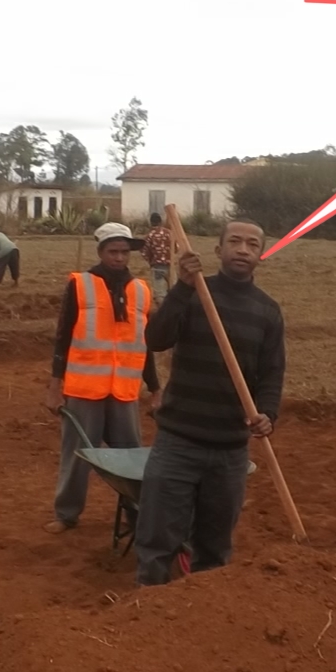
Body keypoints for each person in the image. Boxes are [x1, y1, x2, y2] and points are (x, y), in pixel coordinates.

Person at [134, 218, 284, 586]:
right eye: (235, 242)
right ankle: (145, 615)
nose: (243, 250)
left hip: (230, 452)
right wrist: (182, 289)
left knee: (215, 550)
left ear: (261, 255)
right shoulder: (195, 293)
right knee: (157, 543)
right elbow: (156, 338)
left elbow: (271, 376)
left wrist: (267, 414)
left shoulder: (268, 311)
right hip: (178, 444)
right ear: (219, 251)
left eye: (252, 244)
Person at [45, 223, 161, 533]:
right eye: (113, 251)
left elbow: (145, 345)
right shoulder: (80, 285)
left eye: (125, 252)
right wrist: (55, 388)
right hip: (85, 389)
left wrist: (156, 388)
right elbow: (63, 338)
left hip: (124, 390)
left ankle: (137, 515)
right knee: (78, 454)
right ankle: (66, 514)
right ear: (101, 252)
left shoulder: (141, 290)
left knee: (131, 458)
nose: (120, 258)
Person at [143, 213, 174, 301]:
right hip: (170, 266)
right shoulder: (169, 233)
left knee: (160, 295)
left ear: (151, 222)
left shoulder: (149, 235)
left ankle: (163, 312)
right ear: (161, 222)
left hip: (157, 266)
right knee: (174, 291)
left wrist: (150, 260)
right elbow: (176, 248)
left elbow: (144, 252)